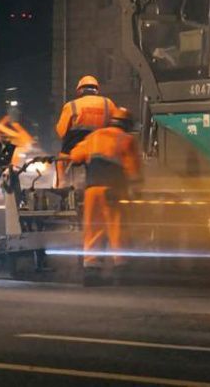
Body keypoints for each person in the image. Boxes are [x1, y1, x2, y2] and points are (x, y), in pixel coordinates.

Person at [66, 106, 141, 286]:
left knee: (93, 228)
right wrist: (136, 190)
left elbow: (75, 155)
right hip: (113, 191)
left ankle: (91, 271)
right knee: (117, 228)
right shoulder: (126, 139)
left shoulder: (94, 137)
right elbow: (133, 169)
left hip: (92, 189)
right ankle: (121, 269)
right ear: (127, 124)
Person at [54, 75, 117, 185]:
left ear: (79, 91)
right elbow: (116, 126)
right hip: (101, 148)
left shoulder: (71, 105)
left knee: (61, 160)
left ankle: (62, 185)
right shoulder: (108, 104)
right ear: (96, 90)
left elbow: (61, 131)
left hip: (75, 149)